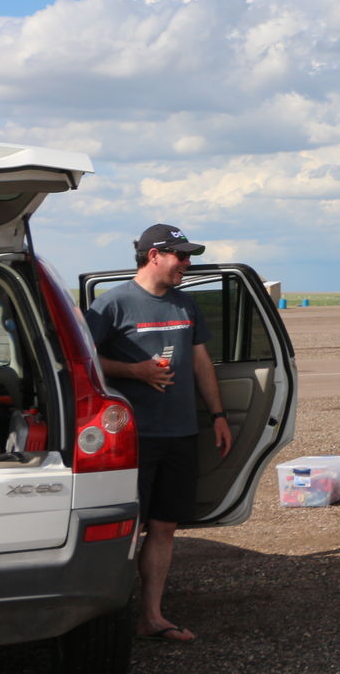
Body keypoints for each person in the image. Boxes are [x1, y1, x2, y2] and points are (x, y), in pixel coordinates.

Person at [86, 223, 232, 644]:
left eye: (189, 257)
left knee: (164, 527)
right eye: (181, 256)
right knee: (125, 529)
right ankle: (109, 614)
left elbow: (202, 363)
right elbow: (86, 362)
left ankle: (152, 616)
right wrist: (135, 371)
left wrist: (218, 414)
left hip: (181, 432)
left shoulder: (186, 305)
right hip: (132, 437)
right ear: (154, 255)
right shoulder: (111, 305)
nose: (188, 264)